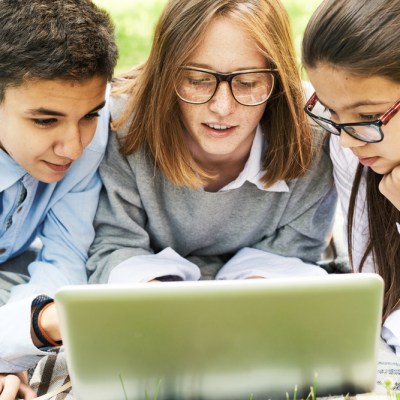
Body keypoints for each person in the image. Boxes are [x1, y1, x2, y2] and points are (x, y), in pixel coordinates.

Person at [87, 0, 336, 288]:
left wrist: (243, 299)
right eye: (198, 79)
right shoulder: (121, 123)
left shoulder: (315, 133)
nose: (222, 107)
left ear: (279, 82)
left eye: (248, 83)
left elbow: (295, 252)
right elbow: (113, 244)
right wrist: (159, 297)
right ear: (165, 76)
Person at [0, 0, 118, 398]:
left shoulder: (91, 140)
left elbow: (65, 258)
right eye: (45, 120)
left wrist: (21, 339)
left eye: (90, 114)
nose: (73, 147)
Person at [301, 0, 400, 380]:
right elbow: (382, 301)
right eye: (331, 112)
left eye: (366, 115)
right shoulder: (353, 154)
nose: (345, 141)